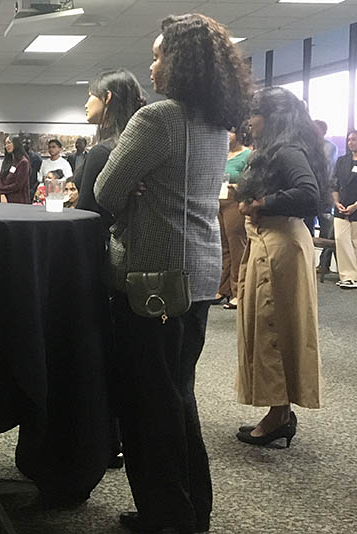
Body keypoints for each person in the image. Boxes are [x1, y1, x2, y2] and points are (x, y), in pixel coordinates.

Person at [94, 14, 253, 534]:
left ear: (180, 62)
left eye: (159, 55)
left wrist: (137, 193)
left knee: (150, 403)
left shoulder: (156, 120)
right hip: (199, 274)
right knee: (177, 394)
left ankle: (170, 518)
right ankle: (186, 510)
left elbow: (106, 193)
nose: (152, 63)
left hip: (153, 280)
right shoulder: (214, 123)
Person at [235, 86, 324, 449]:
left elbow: (309, 194)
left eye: (255, 113)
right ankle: (280, 412)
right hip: (274, 244)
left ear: (271, 118)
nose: (250, 121)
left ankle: (277, 416)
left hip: (280, 247)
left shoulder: (286, 150)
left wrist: (262, 202)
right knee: (275, 327)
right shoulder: (280, 149)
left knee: (274, 329)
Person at [78, 68, 147, 472]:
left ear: (107, 101)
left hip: (104, 260)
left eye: (90, 96)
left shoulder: (104, 150)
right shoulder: (132, 146)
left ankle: (105, 440)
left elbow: (90, 213)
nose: (85, 103)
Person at [78, 69, 146, 235]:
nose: (86, 104)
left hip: (101, 244)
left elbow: (85, 213)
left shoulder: (101, 152)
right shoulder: (136, 145)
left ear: (107, 97)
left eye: (90, 95)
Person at [215, 124, 252, 309]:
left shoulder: (247, 155)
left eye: (230, 131)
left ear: (238, 134)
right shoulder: (220, 152)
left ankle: (239, 291)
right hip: (217, 201)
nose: (227, 135)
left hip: (234, 201)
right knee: (222, 247)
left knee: (237, 246)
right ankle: (223, 289)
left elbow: (251, 181)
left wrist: (236, 188)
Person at [332, 130, 357, 289]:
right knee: (341, 240)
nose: (350, 142)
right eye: (349, 140)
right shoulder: (341, 161)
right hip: (341, 207)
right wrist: (336, 202)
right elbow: (333, 184)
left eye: (354, 139)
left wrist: (355, 205)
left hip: (356, 207)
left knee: (355, 242)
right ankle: (348, 276)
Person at [315, 120, 338, 276]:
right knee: (306, 227)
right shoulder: (306, 145)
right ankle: (307, 261)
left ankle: (324, 264)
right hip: (308, 192)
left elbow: (325, 169)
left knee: (326, 229)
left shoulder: (330, 147)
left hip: (324, 193)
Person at [0, 136, 30, 204]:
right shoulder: (7, 161)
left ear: (16, 143)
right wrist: (2, 194)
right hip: (4, 198)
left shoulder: (23, 162)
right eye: (5, 144)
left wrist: (1, 190)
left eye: (9, 143)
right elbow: (0, 178)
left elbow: (18, 185)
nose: (7, 146)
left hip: (18, 201)